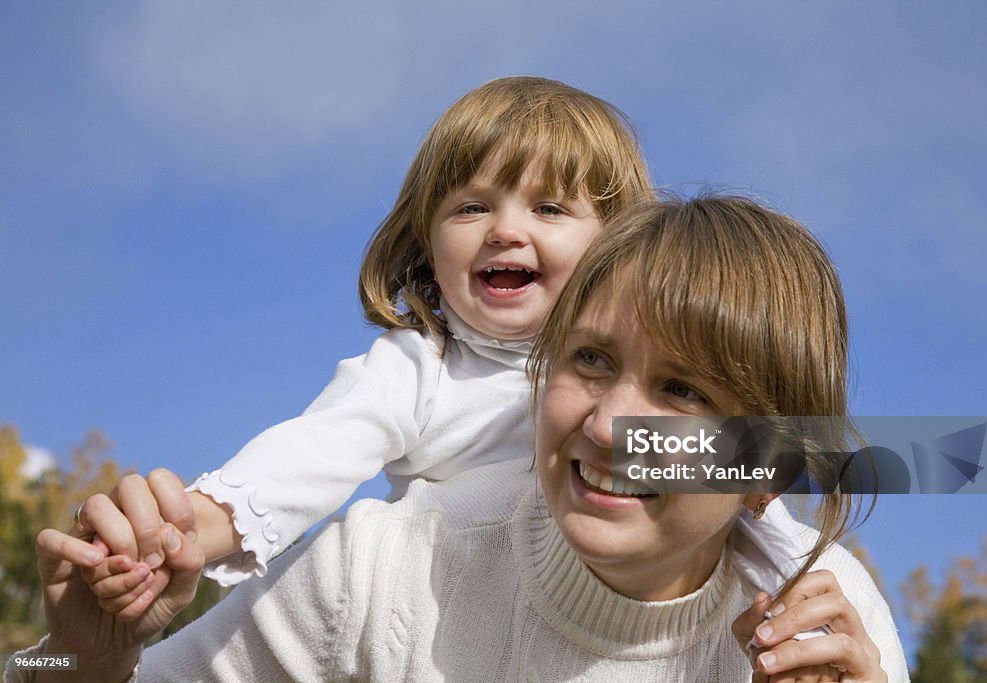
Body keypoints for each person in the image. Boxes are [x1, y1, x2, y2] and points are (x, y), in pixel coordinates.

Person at [17, 196, 909, 681]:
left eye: (681, 389)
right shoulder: (382, 570)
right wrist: (79, 663)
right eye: (591, 359)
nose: (606, 426)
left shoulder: (828, 632)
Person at [74, 75, 653, 617]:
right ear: (427, 242)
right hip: (449, 624)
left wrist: (750, 585)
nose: (504, 229)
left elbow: (724, 476)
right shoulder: (420, 368)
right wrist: (190, 526)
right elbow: (315, 452)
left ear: (618, 244)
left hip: (602, 620)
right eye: (472, 207)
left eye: (549, 208)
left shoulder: (643, 375)